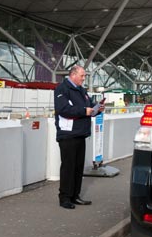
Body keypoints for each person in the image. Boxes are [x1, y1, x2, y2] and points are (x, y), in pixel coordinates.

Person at [54, 64, 101, 209]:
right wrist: (84, 111)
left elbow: (89, 106)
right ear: (73, 75)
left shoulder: (82, 90)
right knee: (68, 167)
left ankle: (75, 195)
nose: (84, 78)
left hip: (80, 133)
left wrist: (96, 109)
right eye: (82, 75)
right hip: (68, 134)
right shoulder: (62, 89)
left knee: (78, 167)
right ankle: (65, 197)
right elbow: (64, 109)